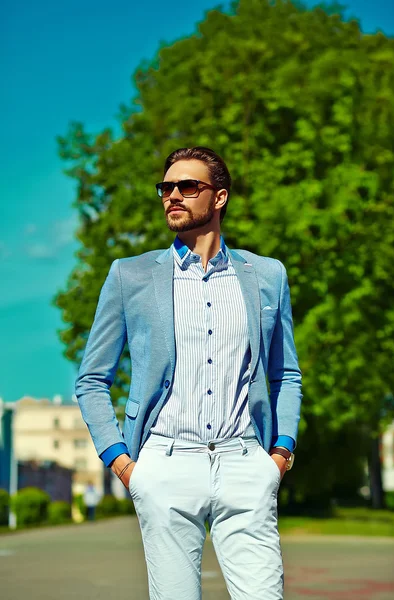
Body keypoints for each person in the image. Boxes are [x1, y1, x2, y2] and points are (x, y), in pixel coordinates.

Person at [75, 146, 302, 599]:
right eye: (166, 188)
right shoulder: (130, 276)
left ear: (218, 198)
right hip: (165, 464)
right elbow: (91, 378)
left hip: (246, 463)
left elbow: (286, 374)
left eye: (188, 186)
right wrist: (123, 463)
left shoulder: (266, 276)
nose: (172, 196)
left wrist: (280, 454)